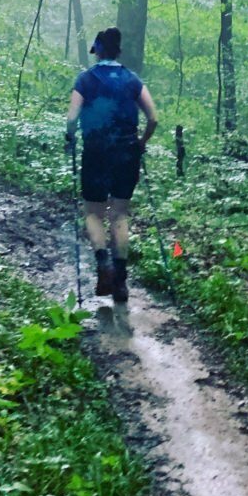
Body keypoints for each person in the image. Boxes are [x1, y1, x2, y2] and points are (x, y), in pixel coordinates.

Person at [64, 27, 158, 302]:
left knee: (93, 212)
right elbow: (153, 119)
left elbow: (72, 119)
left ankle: (102, 262)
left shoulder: (86, 79)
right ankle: (121, 281)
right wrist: (141, 142)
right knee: (119, 214)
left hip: (96, 151)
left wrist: (70, 138)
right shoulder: (132, 80)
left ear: (99, 51)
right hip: (127, 151)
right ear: (117, 52)